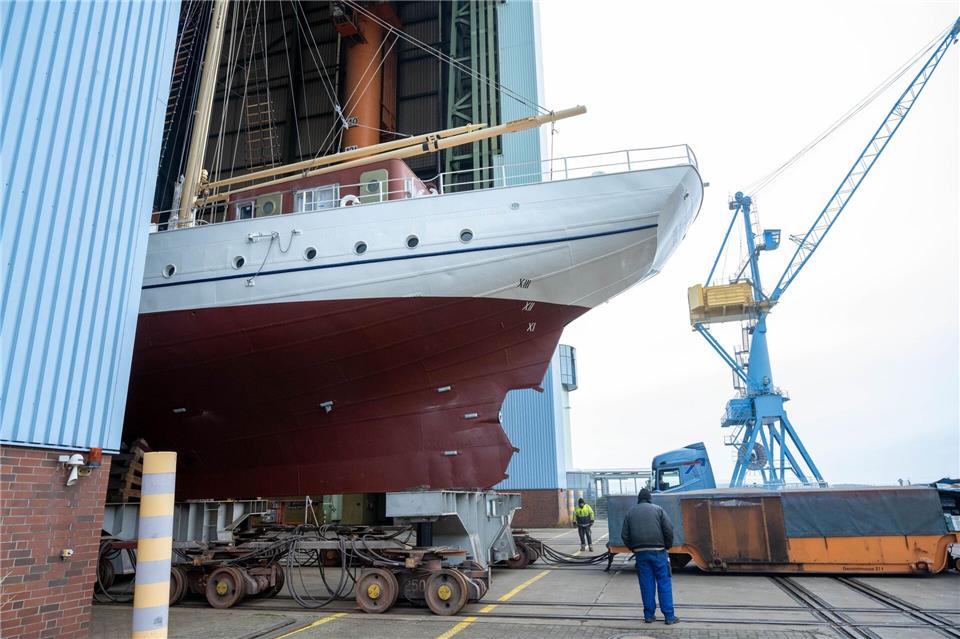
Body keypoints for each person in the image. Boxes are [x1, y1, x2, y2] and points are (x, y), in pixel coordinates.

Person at [620, 488, 677, 624]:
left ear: (639, 499)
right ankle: (669, 617)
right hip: (659, 552)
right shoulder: (658, 510)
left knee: (646, 584)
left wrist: (633, 548)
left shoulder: (630, 512)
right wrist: (667, 546)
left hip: (641, 554)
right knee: (664, 582)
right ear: (649, 498)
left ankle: (649, 616)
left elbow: (624, 535)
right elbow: (669, 530)